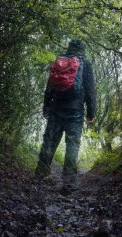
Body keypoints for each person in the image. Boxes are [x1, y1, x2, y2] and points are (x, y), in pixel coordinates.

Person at [35, 39, 96, 192]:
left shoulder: (60, 62)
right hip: (75, 112)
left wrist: (46, 106)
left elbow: (49, 87)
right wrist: (91, 113)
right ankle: (69, 183)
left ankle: (39, 176)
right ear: (83, 50)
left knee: (49, 141)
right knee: (72, 145)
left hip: (56, 108)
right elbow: (90, 91)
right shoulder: (85, 64)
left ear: (69, 48)